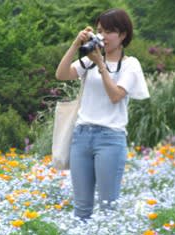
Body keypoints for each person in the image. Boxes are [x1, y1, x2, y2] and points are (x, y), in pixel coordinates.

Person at [55, 8, 149, 220]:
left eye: (109, 31)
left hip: (110, 139)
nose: (103, 37)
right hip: (82, 136)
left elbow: (115, 96)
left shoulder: (130, 65)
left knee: (108, 208)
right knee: (81, 208)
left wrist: (101, 65)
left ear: (123, 35)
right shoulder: (88, 61)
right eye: (99, 31)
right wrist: (75, 45)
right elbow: (61, 74)